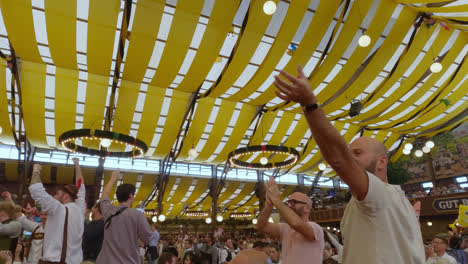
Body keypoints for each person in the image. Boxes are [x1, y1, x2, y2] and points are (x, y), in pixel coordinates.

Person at [272, 65, 425, 263]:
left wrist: (309, 105)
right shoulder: (394, 200)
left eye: (358, 153)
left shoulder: (380, 194)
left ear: (381, 162)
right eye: (350, 153)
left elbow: (338, 159)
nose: (351, 158)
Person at [28, 158, 85, 264]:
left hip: (55, 261)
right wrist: (77, 164)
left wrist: (36, 170)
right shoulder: (80, 209)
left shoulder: (58, 208)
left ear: (66, 196)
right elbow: (80, 185)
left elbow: (36, 189)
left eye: (57, 194)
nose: (54, 196)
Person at [257, 180, 324, 264]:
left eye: (293, 202)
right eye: (288, 202)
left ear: (307, 208)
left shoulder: (315, 228)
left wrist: (276, 200)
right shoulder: (284, 228)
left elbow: (296, 224)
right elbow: (261, 226)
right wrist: (269, 205)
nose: (289, 205)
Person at [96, 169, 152, 264]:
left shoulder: (108, 210)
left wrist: (113, 178)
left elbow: (104, 195)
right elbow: (148, 239)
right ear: (131, 196)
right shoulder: (138, 215)